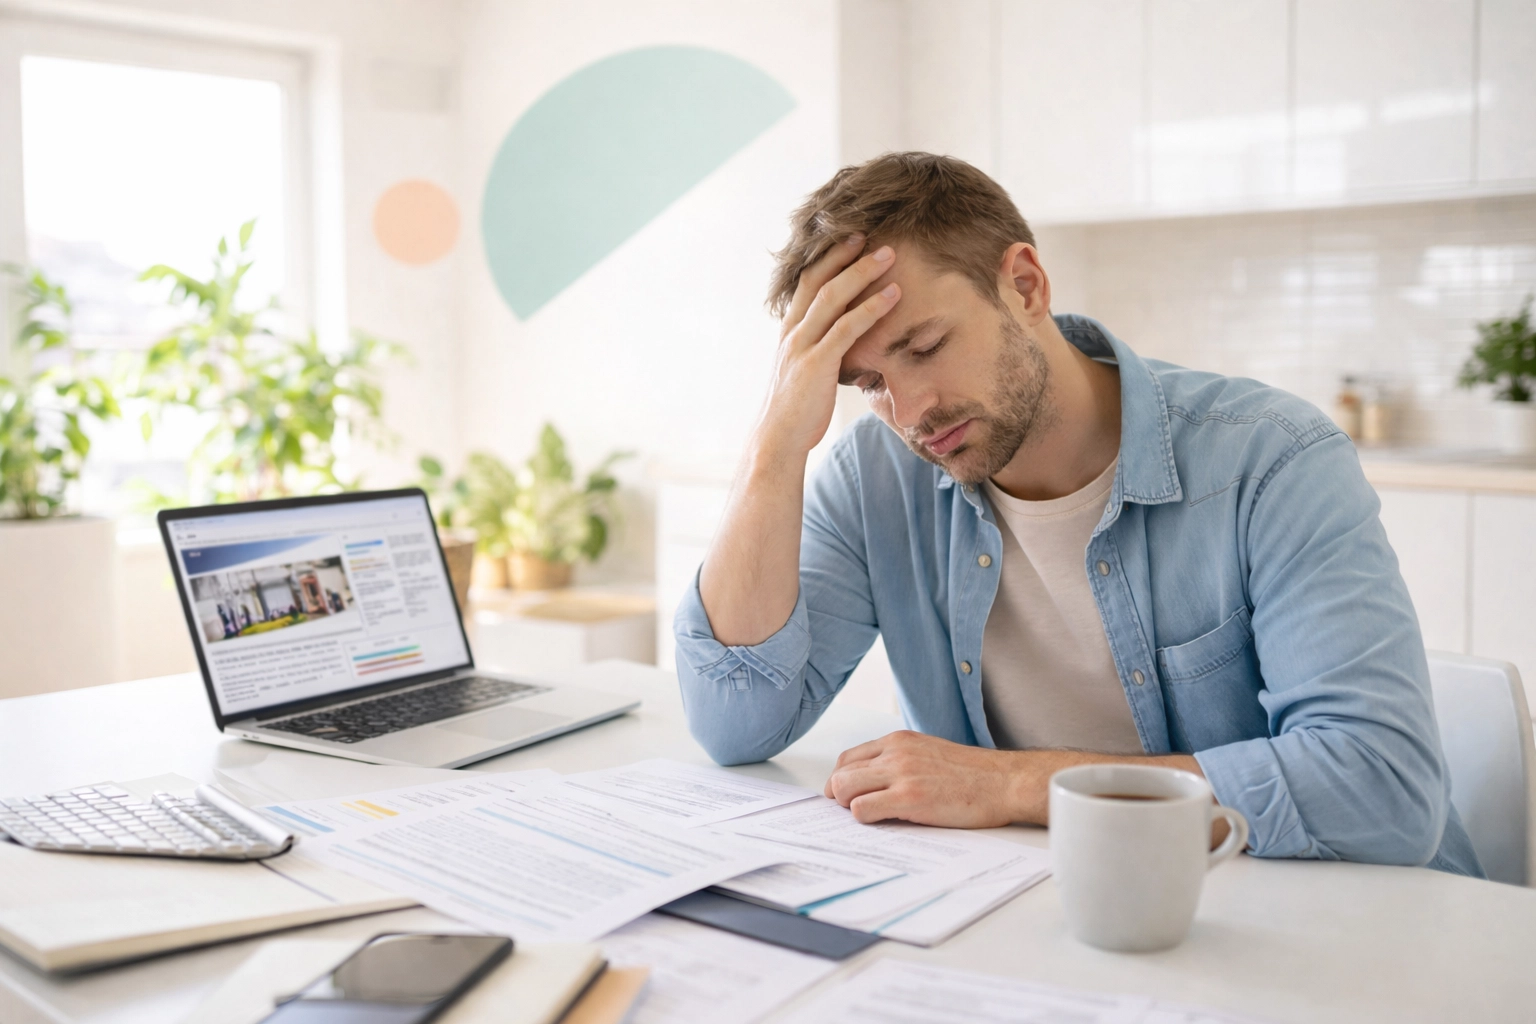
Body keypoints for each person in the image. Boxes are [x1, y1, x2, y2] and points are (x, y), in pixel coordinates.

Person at [674, 152, 1481, 876]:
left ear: (1025, 286)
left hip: (1341, 922)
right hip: (1064, 907)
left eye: (924, 347)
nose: (909, 411)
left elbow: (1383, 787)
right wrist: (777, 442)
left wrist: (1010, 785)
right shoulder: (875, 477)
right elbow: (734, 725)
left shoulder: (1270, 459)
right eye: (868, 383)